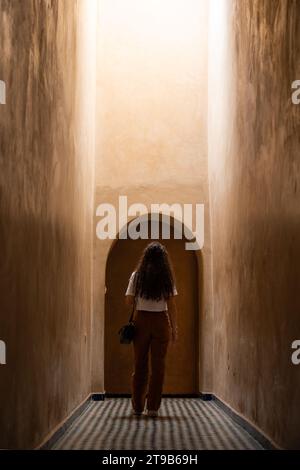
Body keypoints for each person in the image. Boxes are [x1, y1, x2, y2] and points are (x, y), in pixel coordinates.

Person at [125, 241, 178, 418]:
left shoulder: (136, 276)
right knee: (158, 366)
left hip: (141, 320)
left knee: (140, 364)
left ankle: (138, 406)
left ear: (145, 258)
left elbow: (128, 301)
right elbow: (171, 305)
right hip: (161, 321)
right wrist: (174, 328)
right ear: (164, 260)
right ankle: (153, 408)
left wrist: (141, 297)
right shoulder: (166, 278)